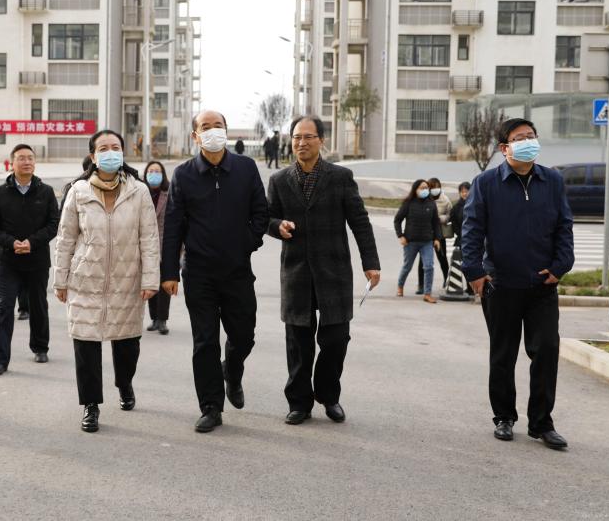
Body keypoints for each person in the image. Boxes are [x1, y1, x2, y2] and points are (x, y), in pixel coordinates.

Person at [462, 118, 574, 450]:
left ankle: (542, 423)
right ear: (504, 147)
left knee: (546, 350)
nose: (528, 141)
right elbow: (472, 229)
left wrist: (561, 266)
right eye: (520, 138)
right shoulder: (486, 183)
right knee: (503, 354)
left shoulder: (552, 180)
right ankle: (504, 417)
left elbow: (564, 226)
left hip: (542, 285)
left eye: (531, 136)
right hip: (501, 284)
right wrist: (475, 272)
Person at [267, 115, 380, 426]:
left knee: (336, 340)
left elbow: (359, 221)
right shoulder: (279, 180)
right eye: (296, 137)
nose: (301, 142)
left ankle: (328, 395)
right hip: (297, 273)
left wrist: (371, 262)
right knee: (298, 344)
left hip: (334, 272)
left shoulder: (340, 177)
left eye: (308, 137)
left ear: (321, 140)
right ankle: (299, 402)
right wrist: (277, 226)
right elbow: (266, 217)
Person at [161, 110, 269, 433]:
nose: (212, 131)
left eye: (217, 126)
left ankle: (232, 371)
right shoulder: (184, 175)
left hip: (237, 271)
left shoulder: (246, 168)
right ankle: (211, 406)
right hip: (199, 273)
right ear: (195, 137)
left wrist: (245, 244)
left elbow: (261, 213)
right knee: (205, 341)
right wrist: (169, 272)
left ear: (226, 130)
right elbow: (173, 226)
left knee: (244, 335)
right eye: (205, 127)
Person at [53, 129, 160, 433]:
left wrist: (150, 278)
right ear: (93, 156)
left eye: (115, 147)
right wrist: (60, 279)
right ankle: (91, 405)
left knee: (127, 344)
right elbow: (65, 238)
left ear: (123, 153)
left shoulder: (138, 191)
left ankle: (124, 383)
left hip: (127, 280)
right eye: (103, 148)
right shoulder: (78, 191)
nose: (110, 152)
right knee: (85, 344)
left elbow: (149, 238)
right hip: (86, 279)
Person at [0, 144, 59, 376]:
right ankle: (0, 360)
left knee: (38, 304)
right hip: (7, 261)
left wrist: (31, 242)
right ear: (12, 163)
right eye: (21, 158)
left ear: (34, 163)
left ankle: (40, 347)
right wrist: (12, 243)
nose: (26, 162)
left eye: (30, 158)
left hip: (37, 259)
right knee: (4, 307)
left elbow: (53, 224)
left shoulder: (46, 192)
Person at [394, 179, 443, 304]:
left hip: (427, 242)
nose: (425, 190)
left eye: (426, 188)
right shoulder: (408, 203)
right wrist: (401, 236)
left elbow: (436, 223)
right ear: (415, 190)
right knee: (407, 266)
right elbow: (397, 220)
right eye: (422, 188)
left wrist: (437, 238)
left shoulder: (431, 204)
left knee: (429, 266)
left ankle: (427, 294)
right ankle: (400, 286)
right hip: (410, 242)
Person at [143, 161, 172, 335]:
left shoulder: (169, 193)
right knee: (150, 282)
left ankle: (162, 320)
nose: (154, 174)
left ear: (163, 174)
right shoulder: (141, 192)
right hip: (146, 245)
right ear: (146, 174)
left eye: (157, 171)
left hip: (165, 245)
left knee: (164, 284)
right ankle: (154, 318)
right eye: (151, 171)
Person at [416, 177, 452, 291]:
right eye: (432, 187)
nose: (435, 189)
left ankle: (447, 281)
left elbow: (450, 214)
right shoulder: (424, 199)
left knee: (442, 259)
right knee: (423, 260)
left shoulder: (445, 200)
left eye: (437, 187)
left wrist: (442, 218)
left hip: (439, 234)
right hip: (426, 234)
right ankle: (421, 285)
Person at [450, 181, 471, 248]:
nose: (464, 194)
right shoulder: (456, 207)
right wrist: (460, 233)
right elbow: (454, 222)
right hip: (462, 237)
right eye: (462, 192)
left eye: (466, 191)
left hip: (476, 236)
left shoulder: (476, 204)